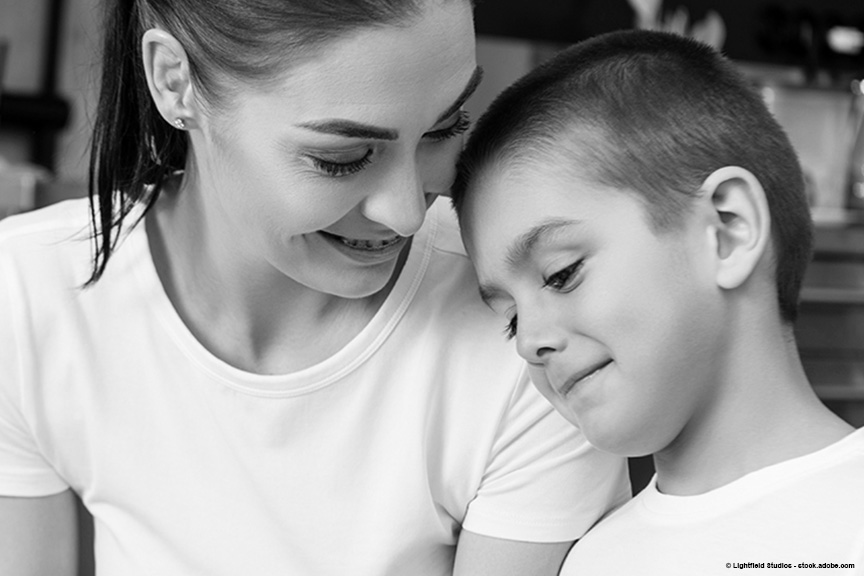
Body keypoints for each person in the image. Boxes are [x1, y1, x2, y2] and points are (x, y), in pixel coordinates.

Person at [0, 1, 631, 575]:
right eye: (342, 157)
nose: (408, 214)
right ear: (174, 81)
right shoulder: (29, 295)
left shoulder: (531, 331)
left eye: (444, 128)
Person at [452, 29, 864, 574]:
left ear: (728, 231)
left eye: (561, 274)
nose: (530, 342)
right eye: (510, 319)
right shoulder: (591, 562)